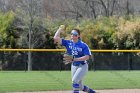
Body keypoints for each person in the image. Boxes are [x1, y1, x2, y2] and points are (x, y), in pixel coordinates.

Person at [54, 25, 97, 93]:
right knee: (80, 86)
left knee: (74, 81)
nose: (73, 36)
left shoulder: (83, 45)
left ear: (78, 36)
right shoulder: (68, 43)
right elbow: (56, 38)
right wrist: (59, 29)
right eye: (72, 34)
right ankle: (92, 92)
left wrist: (75, 59)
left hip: (82, 66)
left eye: (75, 35)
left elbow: (87, 57)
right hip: (74, 66)